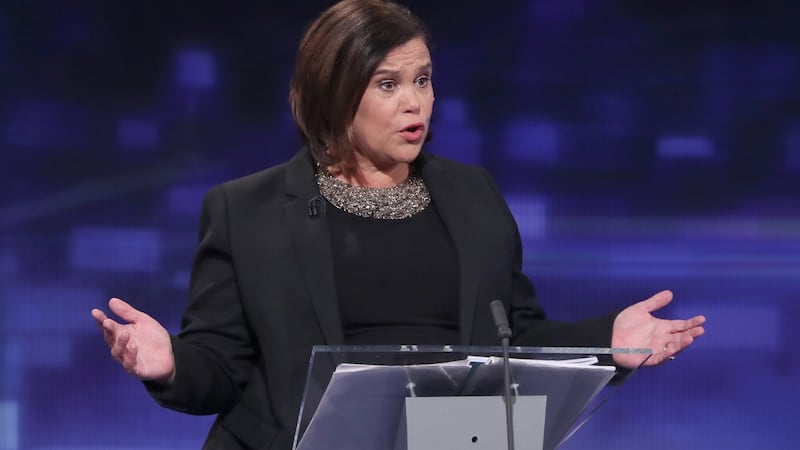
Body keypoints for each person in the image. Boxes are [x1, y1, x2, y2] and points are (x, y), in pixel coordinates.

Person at [91, 0, 706, 448]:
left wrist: (611, 342)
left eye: (423, 80)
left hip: (450, 440)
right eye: (388, 84)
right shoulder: (245, 209)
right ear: (334, 94)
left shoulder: (471, 195)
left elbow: (511, 341)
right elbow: (223, 369)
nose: (415, 102)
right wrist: (170, 361)